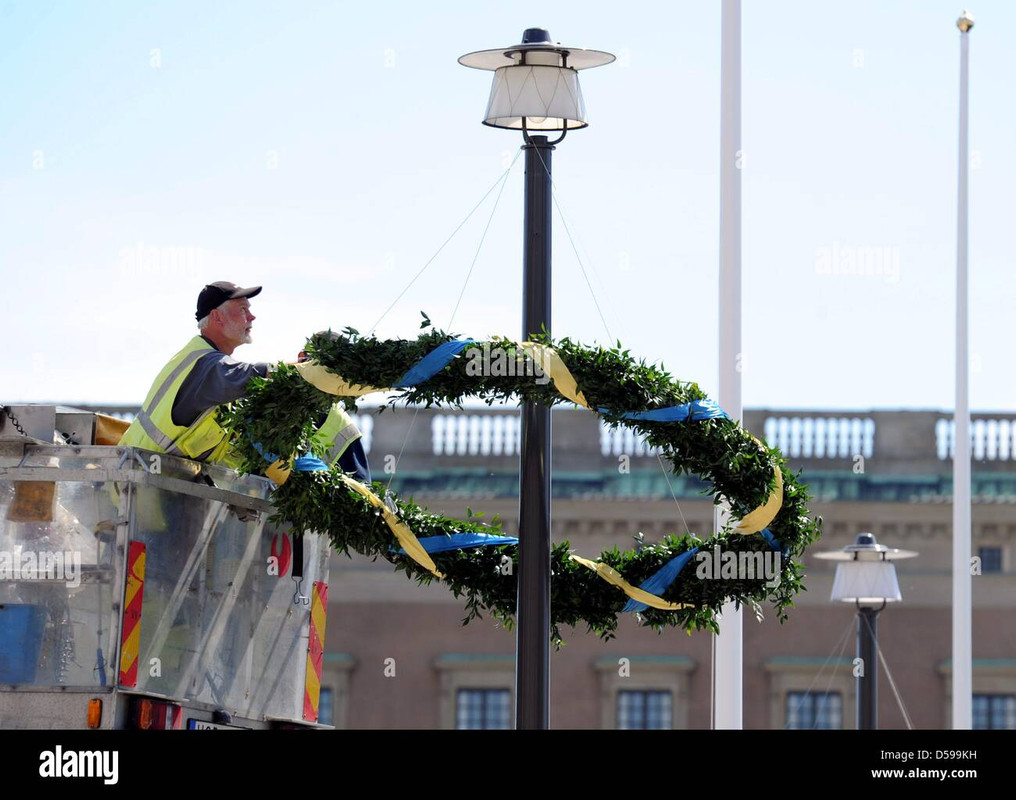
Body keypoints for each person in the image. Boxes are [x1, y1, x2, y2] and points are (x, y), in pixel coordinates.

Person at [119, 281, 370, 482]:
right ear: (217, 317)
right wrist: (305, 371)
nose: (252, 317)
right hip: (138, 485)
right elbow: (250, 375)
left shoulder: (203, 363)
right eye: (242, 310)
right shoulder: (207, 366)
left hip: (148, 485)